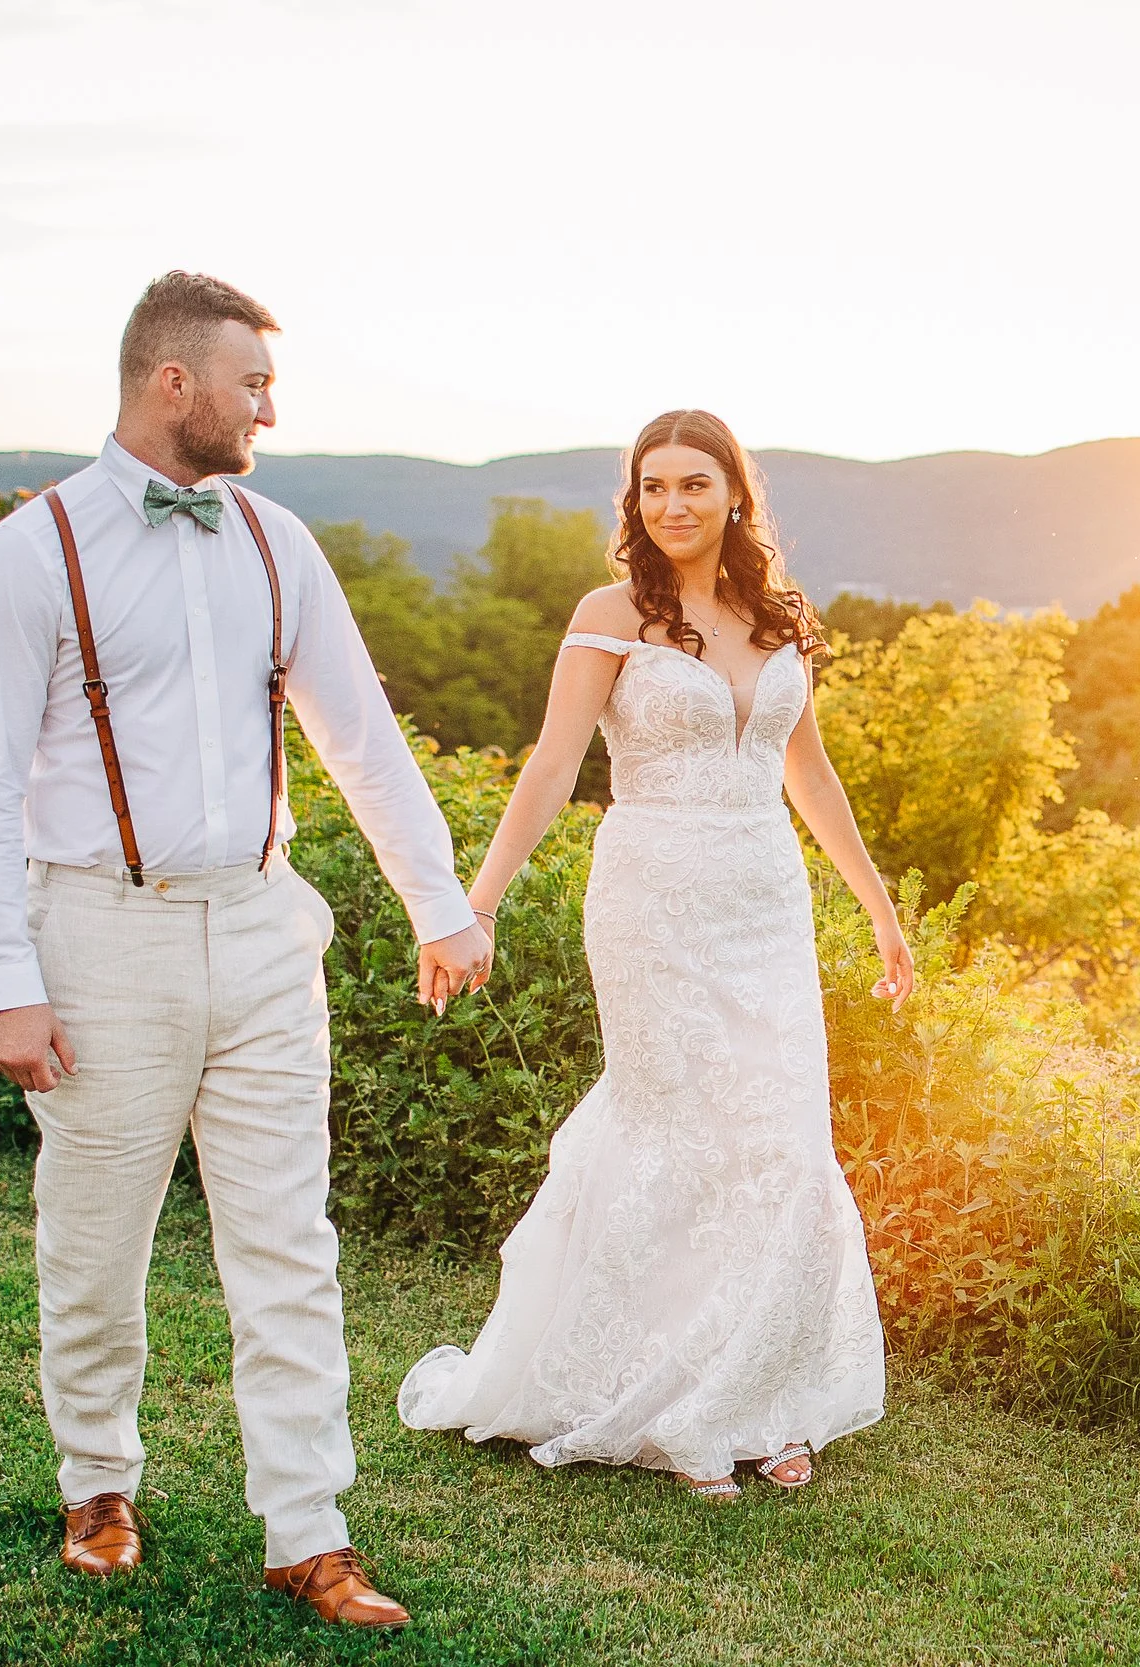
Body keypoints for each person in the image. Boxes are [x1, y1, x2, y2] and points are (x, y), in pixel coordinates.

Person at [0, 270, 493, 1629]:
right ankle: (97, 1482)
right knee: (95, 1241)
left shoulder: (276, 540)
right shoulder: (29, 552)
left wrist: (437, 900)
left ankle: (309, 1531)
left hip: (261, 927)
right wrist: (6, 981)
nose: (270, 411)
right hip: (99, 932)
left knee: (289, 1243)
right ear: (172, 381)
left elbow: (359, 732)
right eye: (254, 384)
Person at [397, 409, 910, 1501]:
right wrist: (474, 903)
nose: (671, 503)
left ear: (735, 493)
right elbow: (551, 765)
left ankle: (760, 1395)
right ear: (633, 500)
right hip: (652, 897)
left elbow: (808, 772)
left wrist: (877, 906)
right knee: (676, 1129)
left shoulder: (780, 617)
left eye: (693, 483)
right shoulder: (610, 614)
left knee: (778, 1135)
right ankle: (663, 1397)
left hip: (764, 902)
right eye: (652, 485)